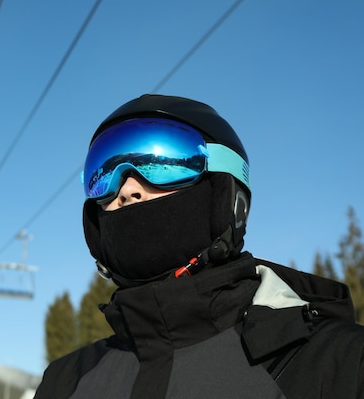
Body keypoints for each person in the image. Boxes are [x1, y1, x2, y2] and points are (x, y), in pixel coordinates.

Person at [34, 94, 364, 399]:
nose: (127, 188)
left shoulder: (335, 363)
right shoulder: (65, 382)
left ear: (228, 199)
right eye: (103, 172)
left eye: (161, 162)